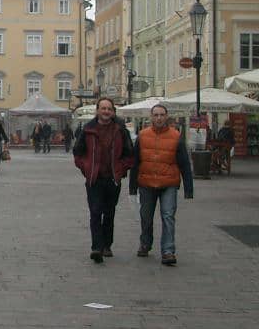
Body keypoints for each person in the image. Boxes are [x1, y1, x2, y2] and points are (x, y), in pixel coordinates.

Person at [129, 104, 194, 266]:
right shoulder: (142, 136)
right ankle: (145, 243)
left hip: (168, 183)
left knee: (168, 216)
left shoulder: (175, 136)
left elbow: (184, 163)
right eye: (156, 115)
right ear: (151, 117)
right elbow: (135, 162)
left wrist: (188, 188)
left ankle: (168, 251)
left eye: (161, 115)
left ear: (166, 117)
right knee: (146, 216)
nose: (159, 118)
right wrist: (132, 186)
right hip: (146, 182)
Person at [73, 98, 134, 263]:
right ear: (97, 111)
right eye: (103, 108)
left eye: (109, 109)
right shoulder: (88, 129)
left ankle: (107, 244)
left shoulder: (120, 130)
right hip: (94, 178)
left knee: (109, 212)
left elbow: (129, 154)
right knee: (95, 212)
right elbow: (77, 152)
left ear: (113, 112)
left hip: (113, 178)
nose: (106, 111)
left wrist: (122, 169)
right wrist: (85, 167)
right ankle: (96, 247)